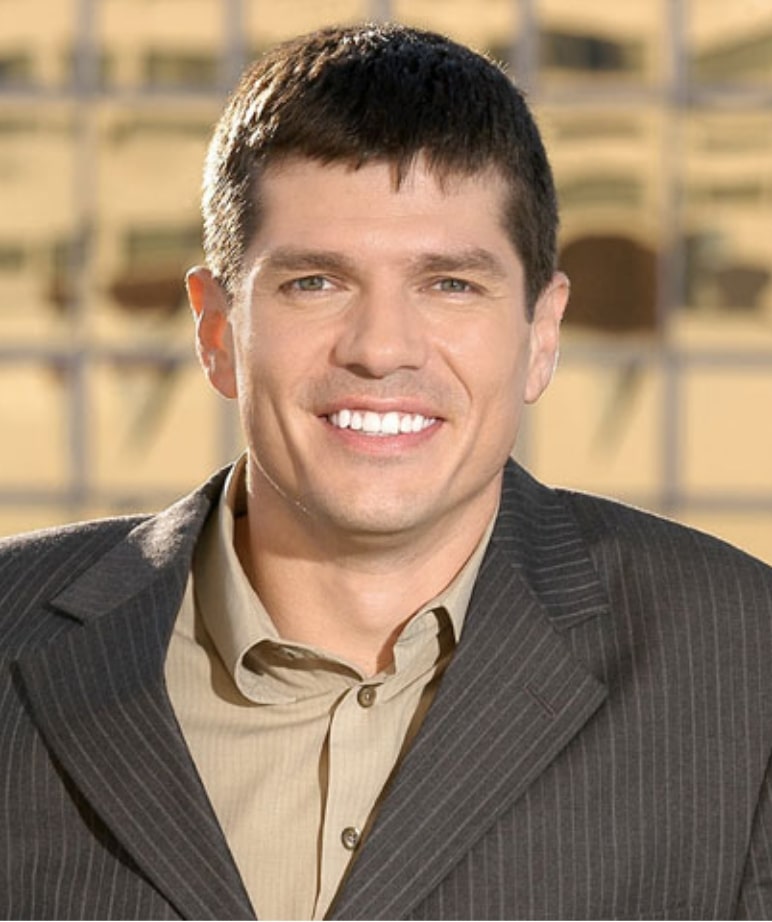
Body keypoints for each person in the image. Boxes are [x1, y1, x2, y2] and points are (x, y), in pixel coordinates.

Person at [1, 22, 771, 922]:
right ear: (216, 332)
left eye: (450, 284)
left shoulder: (742, 669)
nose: (380, 349)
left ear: (542, 332)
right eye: (315, 283)